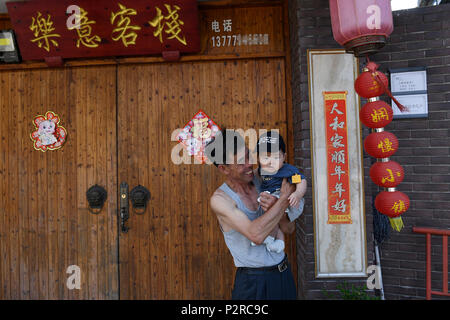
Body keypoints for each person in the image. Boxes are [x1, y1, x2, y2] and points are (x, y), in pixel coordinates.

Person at [206, 129, 298, 300]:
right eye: (241, 162)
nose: (249, 164)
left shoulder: (264, 179)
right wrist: (283, 199)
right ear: (224, 169)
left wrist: (277, 205)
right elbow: (256, 235)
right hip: (253, 284)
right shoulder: (221, 200)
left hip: (283, 274)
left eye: (249, 156)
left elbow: (289, 228)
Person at [253, 131, 307, 254]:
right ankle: (277, 241)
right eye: (266, 157)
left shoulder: (288, 171)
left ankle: (270, 239)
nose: (271, 161)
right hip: (273, 196)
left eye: (276, 157)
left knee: (273, 215)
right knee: (269, 216)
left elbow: (301, 181)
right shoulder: (259, 172)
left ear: (284, 157)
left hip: (291, 203)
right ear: (258, 158)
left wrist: (297, 194)